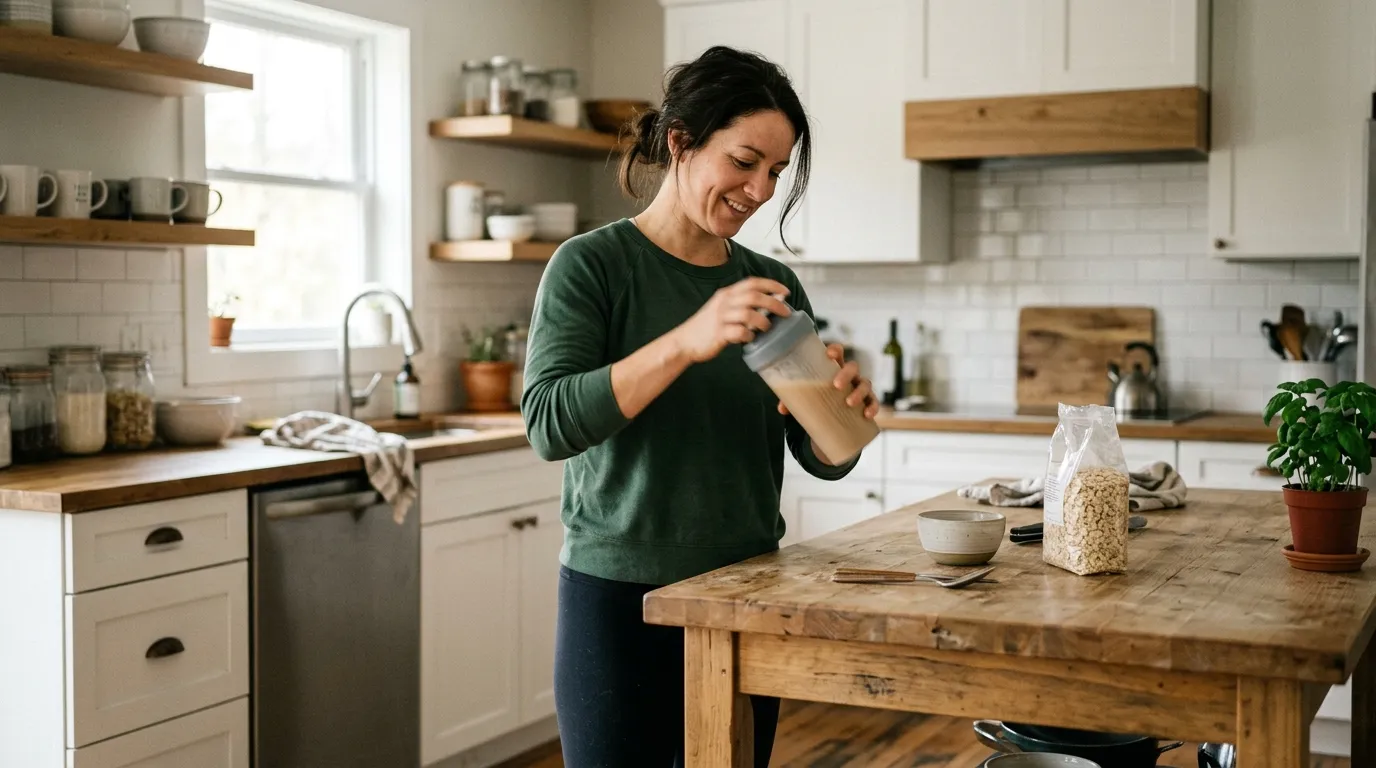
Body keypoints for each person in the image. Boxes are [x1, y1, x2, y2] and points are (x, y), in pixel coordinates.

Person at [520, 45, 880, 768]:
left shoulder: (771, 283)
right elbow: (550, 423)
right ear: (680, 140)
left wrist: (847, 419)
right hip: (619, 600)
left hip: (745, 593)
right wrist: (687, 340)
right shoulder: (592, 266)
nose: (759, 190)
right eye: (745, 161)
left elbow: (825, 455)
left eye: (776, 172)